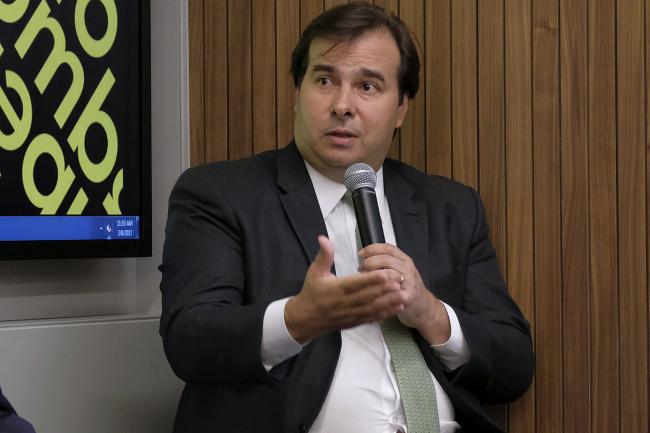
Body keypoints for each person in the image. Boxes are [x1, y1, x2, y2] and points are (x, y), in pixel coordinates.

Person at [159, 2, 533, 432]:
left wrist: (430, 313)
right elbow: (190, 340)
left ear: (401, 108)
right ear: (297, 92)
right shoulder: (221, 194)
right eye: (324, 80)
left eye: (368, 86)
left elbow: (513, 365)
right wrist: (298, 319)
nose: (342, 105)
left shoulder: (451, 207)